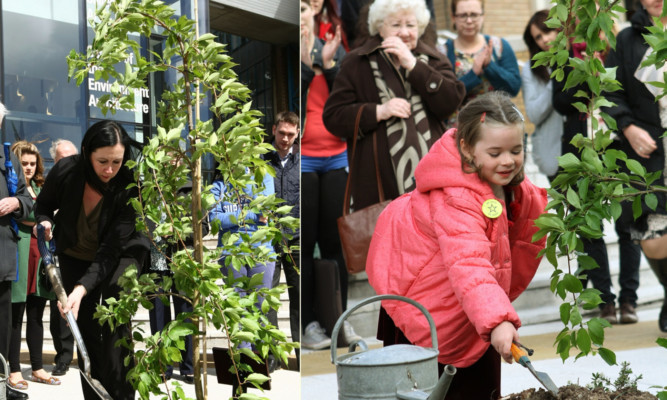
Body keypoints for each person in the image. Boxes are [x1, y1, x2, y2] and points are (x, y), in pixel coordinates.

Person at [366, 91, 547, 399]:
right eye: (495, 153)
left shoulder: (506, 185)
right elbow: (469, 264)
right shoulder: (456, 199)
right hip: (425, 301)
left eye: (516, 150)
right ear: (466, 148)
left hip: (474, 306)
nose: (508, 161)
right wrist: (498, 320)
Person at [33, 120, 148, 400]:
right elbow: (43, 205)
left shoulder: (129, 186)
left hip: (120, 256)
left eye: (117, 161)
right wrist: (46, 222)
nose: (109, 169)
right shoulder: (66, 170)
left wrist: (82, 288)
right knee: (83, 327)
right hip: (75, 254)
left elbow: (110, 251)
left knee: (112, 325)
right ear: (86, 153)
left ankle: (122, 395)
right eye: (102, 161)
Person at [323, 0, 465, 213]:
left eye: (411, 25)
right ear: (379, 27)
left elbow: (451, 102)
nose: (405, 32)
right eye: (396, 25)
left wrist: (414, 66)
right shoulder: (357, 62)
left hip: (434, 179)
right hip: (377, 185)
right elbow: (333, 116)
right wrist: (378, 111)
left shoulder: (434, 59)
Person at [551, 24, 639, 325]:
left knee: (628, 226)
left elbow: (631, 95)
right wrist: (586, 74)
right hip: (582, 153)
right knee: (590, 228)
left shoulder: (622, 49)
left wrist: (603, 71)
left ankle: (629, 299)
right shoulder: (564, 55)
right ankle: (605, 301)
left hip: (621, 150)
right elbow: (560, 102)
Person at [603, 0, 667, 330]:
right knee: (653, 236)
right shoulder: (628, 39)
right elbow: (610, 92)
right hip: (649, 151)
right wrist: (628, 127)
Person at [301, 0, 358, 350]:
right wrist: (309, 63)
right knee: (305, 245)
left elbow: (346, 97)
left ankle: (340, 319)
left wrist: (329, 63)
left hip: (336, 155)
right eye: (303, 7)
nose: (310, 11)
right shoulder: (293, 42)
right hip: (303, 159)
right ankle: (309, 324)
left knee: (336, 245)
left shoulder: (332, 35)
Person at [8, 141, 59, 391]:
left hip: (40, 254)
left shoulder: (41, 187)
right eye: (24, 163)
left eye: (32, 163)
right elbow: (24, 215)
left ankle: (38, 367)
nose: (29, 168)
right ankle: (14, 370)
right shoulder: (10, 186)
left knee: (37, 315)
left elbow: (51, 216)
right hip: (18, 252)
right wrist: (38, 222)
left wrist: (46, 223)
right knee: (15, 316)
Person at [441, 0, 521, 128]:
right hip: (459, 131)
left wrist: (490, 66)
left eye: (474, 14)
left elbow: (514, 87)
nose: (469, 21)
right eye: (463, 15)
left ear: (482, 16)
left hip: (497, 127)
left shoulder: (499, 46)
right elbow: (443, 98)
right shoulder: (442, 53)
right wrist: (473, 74)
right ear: (453, 17)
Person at [0, 103, 33, 400]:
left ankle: (1, 383)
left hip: (2, 259)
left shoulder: (8, 158)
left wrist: (16, 203)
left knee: (2, 324)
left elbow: (28, 200)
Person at [264, 111, 300, 368]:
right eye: (282, 133)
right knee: (269, 300)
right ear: (274, 129)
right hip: (269, 240)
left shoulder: (303, 161)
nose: (285, 138)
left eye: (291, 134)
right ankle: (272, 357)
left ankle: (301, 357)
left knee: (299, 298)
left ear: (297, 133)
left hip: (296, 240)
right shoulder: (260, 161)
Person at [46, 138, 78, 376]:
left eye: (72, 157)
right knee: (61, 306)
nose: (68, 163)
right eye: (62, 159)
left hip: (91, 252)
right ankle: (64, 358)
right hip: (63, 251)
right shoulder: (52, 184)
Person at [521, 10, 563, 182]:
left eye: (547, 31)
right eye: (538, 37)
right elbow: (534, 114)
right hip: (552, 154)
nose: (544, 40)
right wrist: (557, 79)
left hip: (583, 148)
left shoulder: (577, 59)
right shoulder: (531, 69)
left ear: (559, 29)